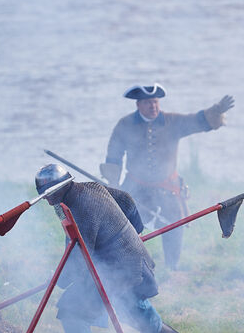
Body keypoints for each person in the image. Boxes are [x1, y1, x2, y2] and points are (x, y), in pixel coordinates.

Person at [35, 164, 194, 333]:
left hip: (120, 271)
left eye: (48, 194)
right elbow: (126, 199)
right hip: (122, 265)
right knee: (133, 309)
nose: (46, 199)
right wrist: (136, 228)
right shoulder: (90, 187)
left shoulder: (81, 207)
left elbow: (81, 256)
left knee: (72, 311)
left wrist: (57, 280)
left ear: (59, 188)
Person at [100, 83, 235, 271]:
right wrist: (114, 185)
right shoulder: (125, 125)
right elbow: (114, 156)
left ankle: (172, 267)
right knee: (125, 226)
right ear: (138, 104)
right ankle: (128, 266)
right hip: (136, 186)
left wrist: (217, 110)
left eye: (155, 102)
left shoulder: (172, 121)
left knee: (174, 225)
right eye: (148, 103)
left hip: (167, 186)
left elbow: (197, 121)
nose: (153, 106)